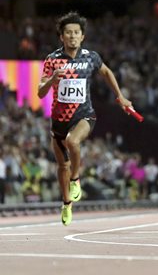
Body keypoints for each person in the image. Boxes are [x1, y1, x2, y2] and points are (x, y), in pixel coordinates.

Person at [38, 12, 133, 225]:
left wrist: (120, 96)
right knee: (62, 166)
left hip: (84, 115)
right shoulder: (52, 60)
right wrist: (52, 79)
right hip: (59, 119)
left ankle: (76, 179)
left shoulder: (91, 57)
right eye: (68, 33)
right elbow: (40, 93)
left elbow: (107, 72)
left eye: (76, 33)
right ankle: (66, 204)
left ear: (82, 36)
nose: (72, 36)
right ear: (61, 37)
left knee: (73, 141)